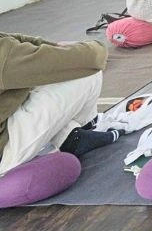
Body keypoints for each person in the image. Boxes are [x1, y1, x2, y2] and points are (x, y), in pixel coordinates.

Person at [1, 31, 118, 176]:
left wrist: (55, 47)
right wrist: (96, 47)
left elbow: (17, 41)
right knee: (87, 72)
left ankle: (70, 136)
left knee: (41, 76)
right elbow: (89, 59)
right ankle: (84, 128)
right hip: (6, 150)